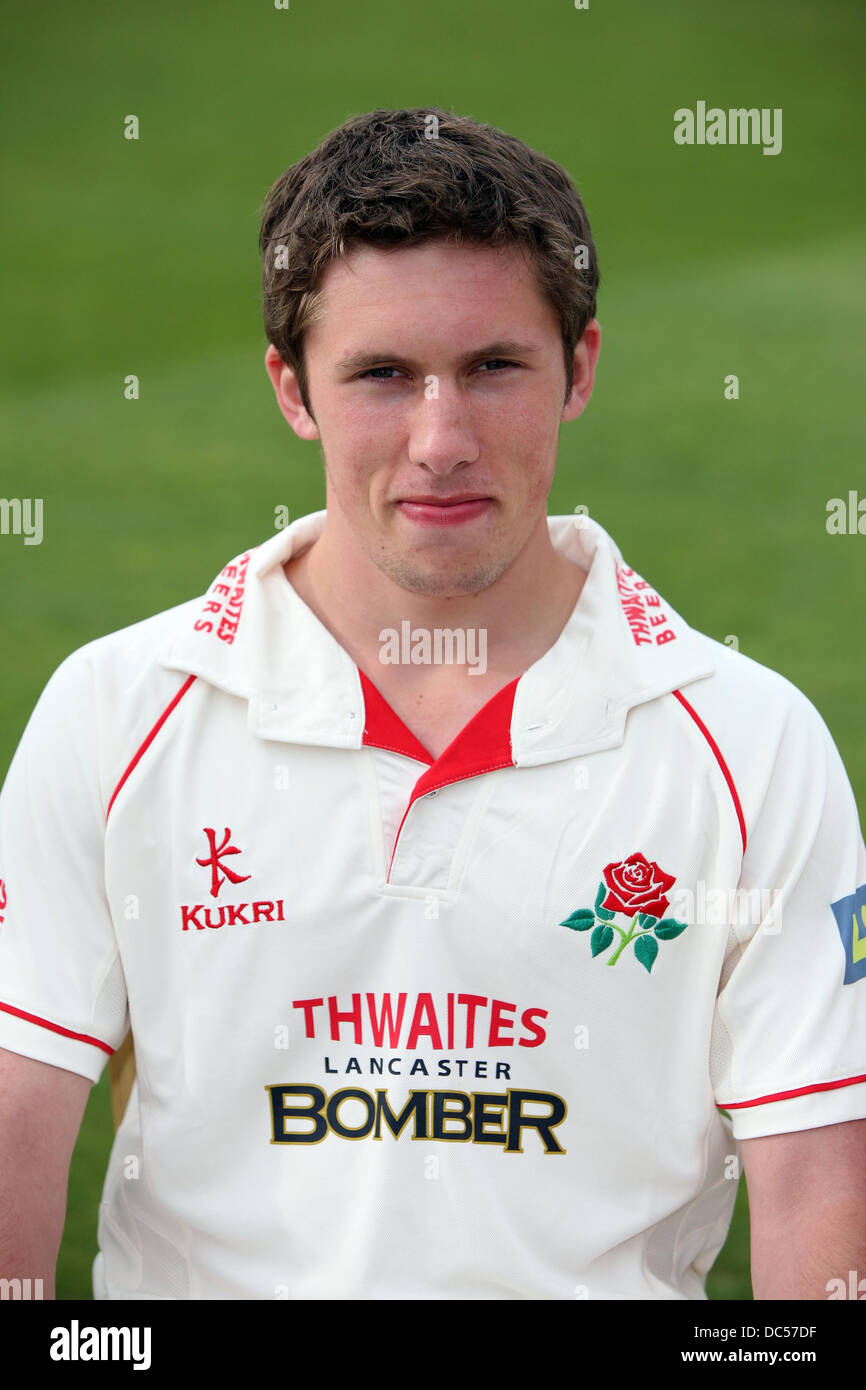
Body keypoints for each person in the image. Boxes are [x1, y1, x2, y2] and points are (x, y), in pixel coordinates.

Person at [1, 107, 864, 1302]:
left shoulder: (753, 745)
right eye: (382, 375)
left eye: (492, 367)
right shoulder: (115, 712)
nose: (440, 440)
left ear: (582, 367)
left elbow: (820, 1191)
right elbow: (12, 1133)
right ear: (291, 388)